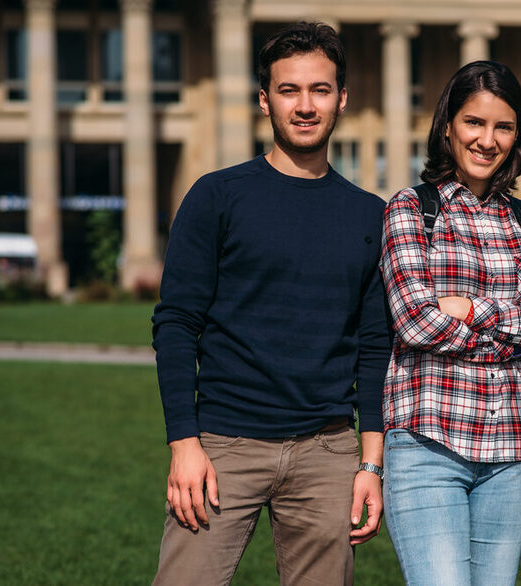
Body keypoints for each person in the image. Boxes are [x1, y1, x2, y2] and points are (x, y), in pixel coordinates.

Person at [150, 22, 390, 585]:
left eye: (320, 89)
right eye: (289, 90)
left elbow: (376, 347)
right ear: (265, 100)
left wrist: (370, 464)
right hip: (222, 447)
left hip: (327, 451)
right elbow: (177, 323)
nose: (305, 105)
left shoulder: (370, 215)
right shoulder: (217, 196)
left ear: (342, 98)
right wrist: (184, 443)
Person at [379, 60, 521, 585]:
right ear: (448, 127)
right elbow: (414, 322)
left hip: (513, 454)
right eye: (474, 122)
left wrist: (468, 308)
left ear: (518, 137)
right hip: (427, 446)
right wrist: (518, 324)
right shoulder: (411, 210)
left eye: (503, 127)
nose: (487, 140)